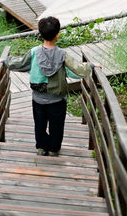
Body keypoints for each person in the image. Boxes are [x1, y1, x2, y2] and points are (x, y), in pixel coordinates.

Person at [7, 15, 100, 156]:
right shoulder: (63, 54)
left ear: (40, 34)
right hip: (57, 99)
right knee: (56, 126)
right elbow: (78, 69)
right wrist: (91, 65)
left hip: (38, 98)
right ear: (57, 35)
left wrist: (5, 61)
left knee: (40, 124)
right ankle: (53, 149)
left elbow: (20, 64)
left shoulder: (34, 52)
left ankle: (41, 148)